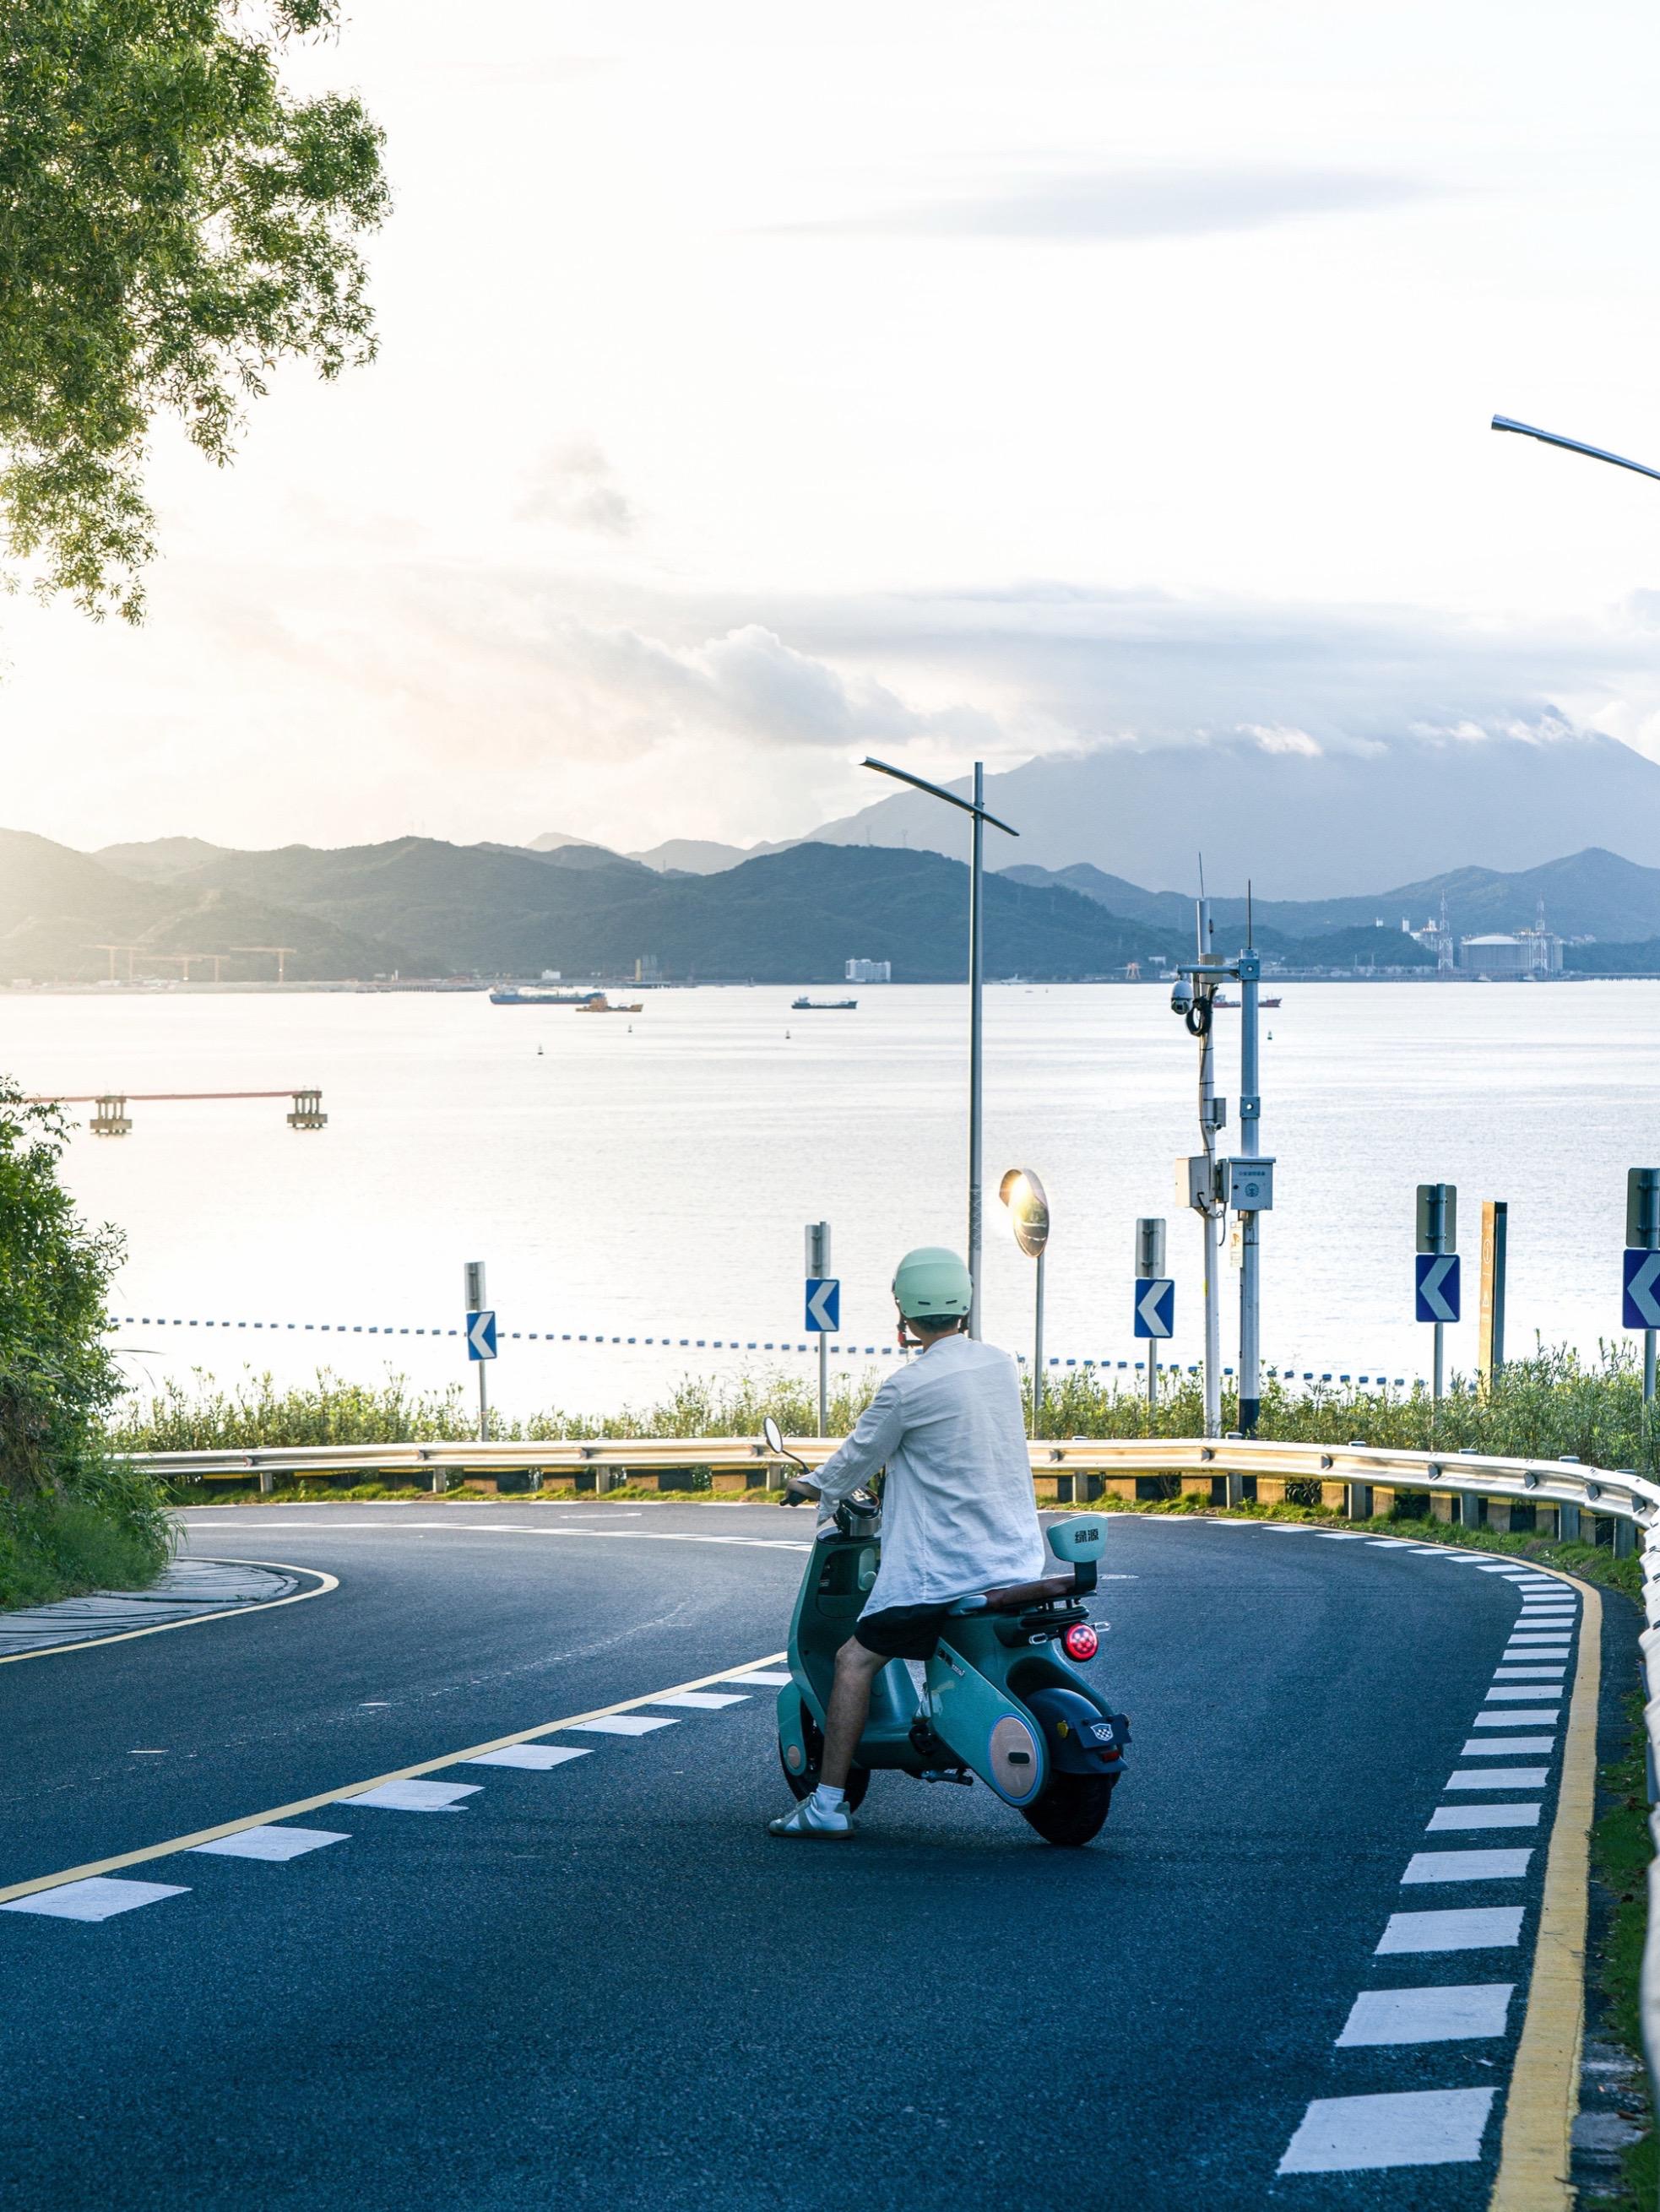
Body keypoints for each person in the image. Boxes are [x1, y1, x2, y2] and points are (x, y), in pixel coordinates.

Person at [768, 1245, 1045, 1839]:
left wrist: (806, 1485)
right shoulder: (999, 1364)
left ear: (904, 1311)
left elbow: (853, 1461)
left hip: (943, 1569)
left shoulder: (907, 1388)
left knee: (852, 1661)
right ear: (965, 1302)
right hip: (1016, 1557)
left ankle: (828, 1805)